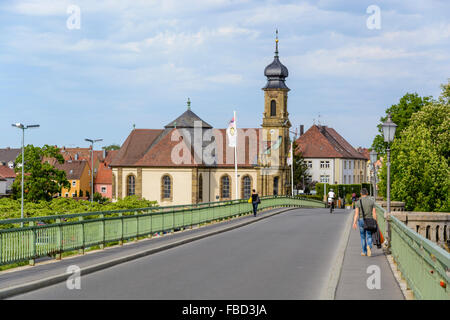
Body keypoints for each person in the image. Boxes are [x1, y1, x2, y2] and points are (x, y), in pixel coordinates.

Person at [352, 188, 377, 257]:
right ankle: (369, 246)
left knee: (363, 237)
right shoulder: (372, 202)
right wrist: (375, 222)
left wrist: (354, 223)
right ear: (367, 193)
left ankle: (364, 251)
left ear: (361, 194)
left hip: (361, 220)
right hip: (369, 220)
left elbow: (356, 214)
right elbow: (374, 213)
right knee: (369, 235)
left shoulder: (358, 202)